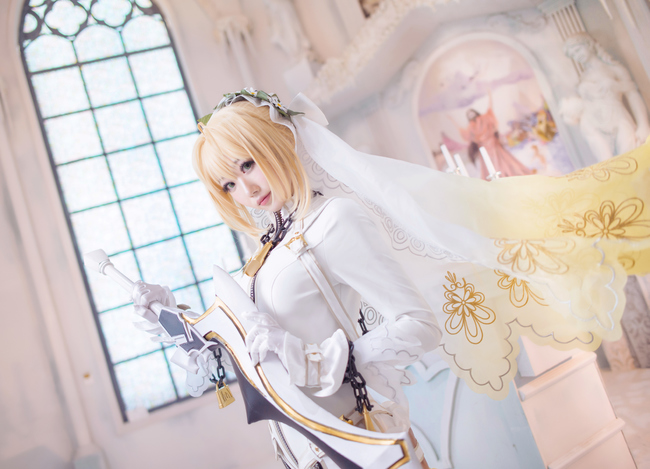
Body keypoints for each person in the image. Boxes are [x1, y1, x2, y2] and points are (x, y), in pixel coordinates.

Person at [132, 89, 650, 468]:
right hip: (305, 446)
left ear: (278, 142)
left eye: (248, 164)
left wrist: (329, 363)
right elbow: (256, 348)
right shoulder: (264, 254)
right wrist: (176, 324)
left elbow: (417, 325)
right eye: (228, 183)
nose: (245, 189)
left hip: (358, 433)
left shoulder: (333, 220)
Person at [562, 32, 650, 161]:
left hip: (618, 118)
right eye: (573, 55)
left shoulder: (614, 68)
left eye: (577, 50)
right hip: (591, 124)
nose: (577, 56)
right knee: (607, 165)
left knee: (631, 160)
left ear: (589, 45)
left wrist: (643, 125)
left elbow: (633, 95)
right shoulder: (582, 78)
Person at [454, 92, 533, 179]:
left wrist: (490, 96)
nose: (473, 117)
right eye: (470, 116)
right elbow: (466, 133)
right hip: (486, 148)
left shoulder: (481, 120)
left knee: (502, 162)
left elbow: (490, 110)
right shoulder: (472, 126)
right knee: (492, 165)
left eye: (472, 114)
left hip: (492, 145)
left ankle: (508, 177)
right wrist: (453, 122)